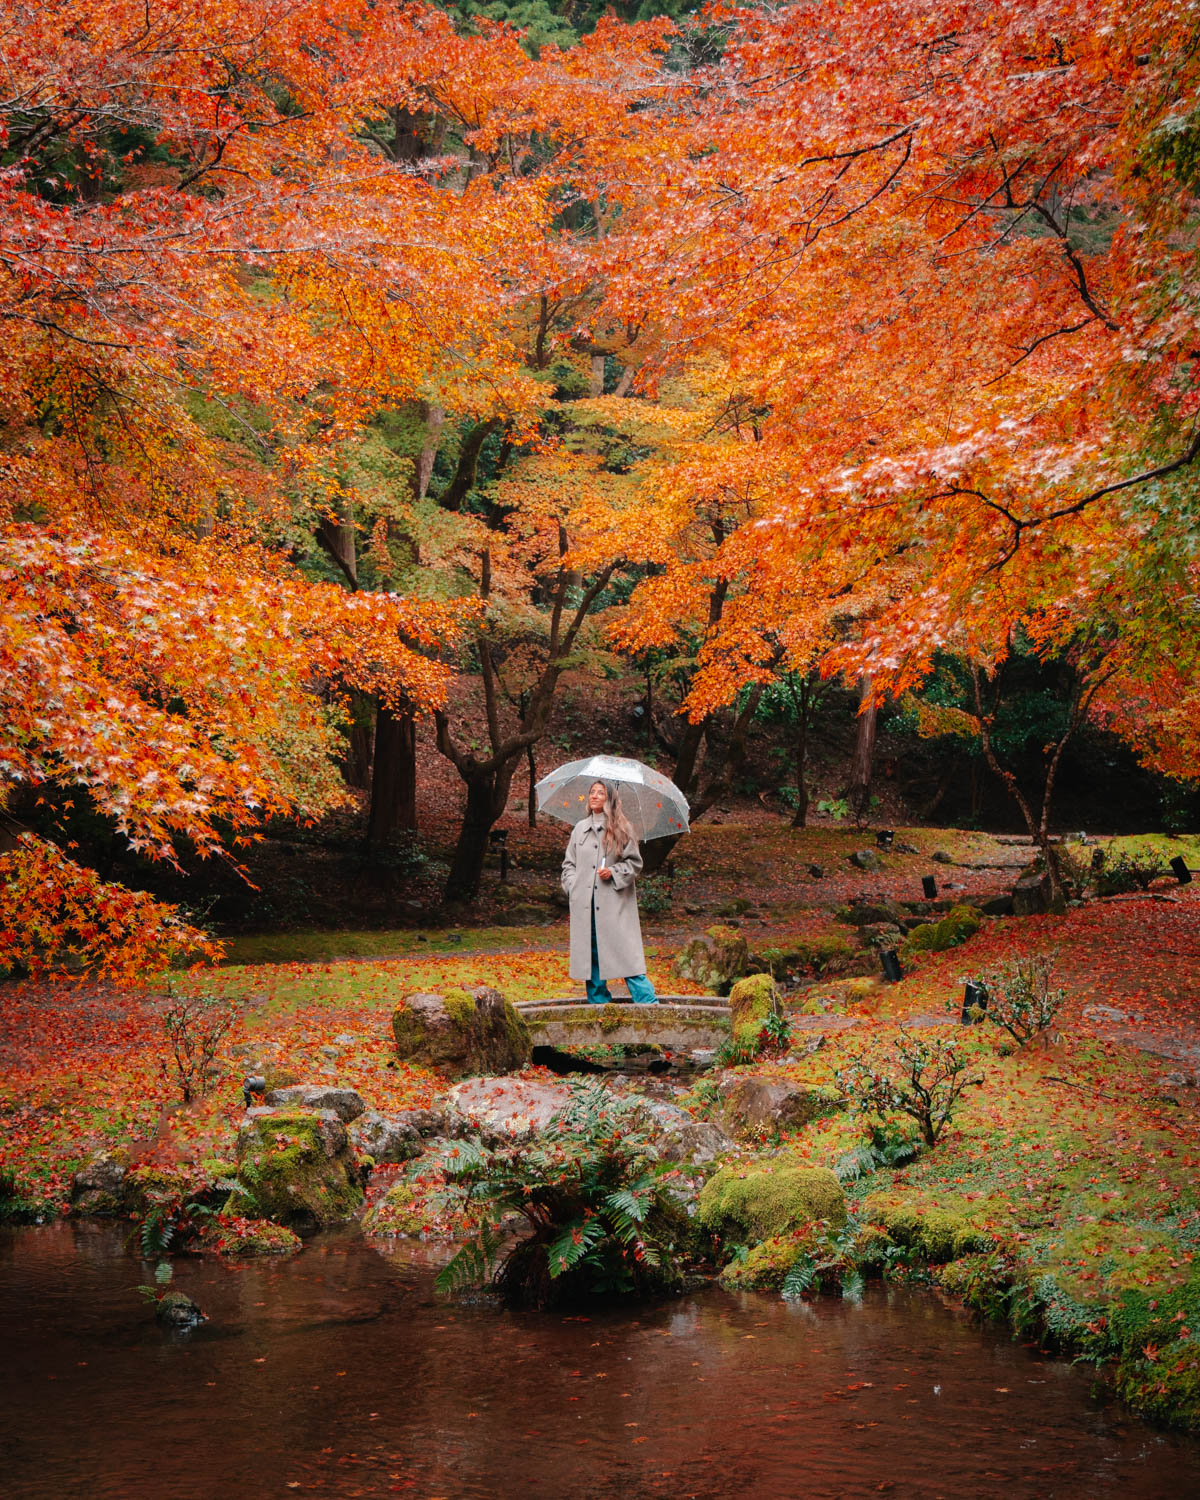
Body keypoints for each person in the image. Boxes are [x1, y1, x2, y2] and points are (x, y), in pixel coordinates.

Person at [561, 780, 658, 1005]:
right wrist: (573, 887)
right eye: (592, 792)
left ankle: (650, 1008)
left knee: (626, 956)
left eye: (600, 793)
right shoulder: (579, 830)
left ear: (610, 798)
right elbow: (569, 865)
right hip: (585, 906)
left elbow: (634, 863)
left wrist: (613, 872)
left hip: (614, 906)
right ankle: (599, 1011)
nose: (594, 796)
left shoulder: (622, 829)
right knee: (591, 956)